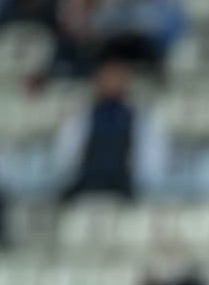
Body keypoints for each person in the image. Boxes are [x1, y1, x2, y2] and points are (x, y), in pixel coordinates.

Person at [54, 60, 168, 201]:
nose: (112, 83)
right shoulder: (82, 116)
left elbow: (149, 157)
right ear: (97, 81)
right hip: (87, 179)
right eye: (107, 77)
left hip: (122, 181)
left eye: (117, 78)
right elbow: (68, 152)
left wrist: (141, 182)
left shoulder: (138, 117)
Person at [96, 0, 187, 75]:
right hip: (123, 44)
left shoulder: (168, 6)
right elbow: (106, 23)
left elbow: (172, 29)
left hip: (152, 47)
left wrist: (146, 27)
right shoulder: (125, 2)